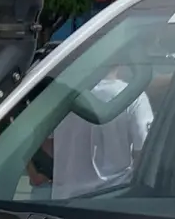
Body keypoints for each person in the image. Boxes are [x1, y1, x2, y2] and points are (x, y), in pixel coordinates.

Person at [30, 67, 154, 200]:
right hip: (114, 197)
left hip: (65, 201)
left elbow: (45, 144)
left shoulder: (60, 97)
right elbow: (143, 154)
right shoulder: (134, 96)